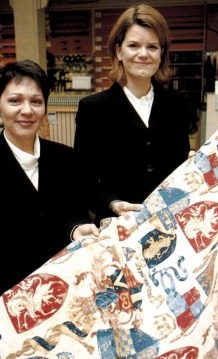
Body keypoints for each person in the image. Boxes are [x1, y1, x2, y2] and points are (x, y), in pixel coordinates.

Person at [0, 60, 98, 338]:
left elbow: (74, 214)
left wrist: (76, 228)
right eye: (15, 101)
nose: (27, 110)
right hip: (9, 302)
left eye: (36, 101)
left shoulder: (66, 160)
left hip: (64, 293)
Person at [74, 3, 191, 224]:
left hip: (169, 223)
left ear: (161, 53)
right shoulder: (93, 109)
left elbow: (179, 168)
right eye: (134, 45)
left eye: (152, 47)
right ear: (119, 51)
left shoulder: (177, 105)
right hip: (117, 226)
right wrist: (112, 203)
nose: (143, 54)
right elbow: (84, 178)